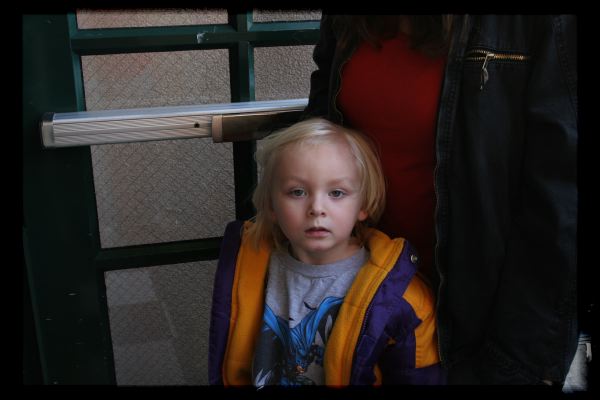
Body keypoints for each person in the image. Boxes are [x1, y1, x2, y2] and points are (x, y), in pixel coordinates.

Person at [302, 14, 579, 386]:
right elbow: (323, 117)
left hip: (480, 338)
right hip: (364, 316)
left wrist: (514, 363)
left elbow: (561, 203)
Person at [208, 118, 445, 386]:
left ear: (363, 205)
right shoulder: (244, 269)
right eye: (297, 192)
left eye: (337, 193)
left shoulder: (401, 298)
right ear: (271, 205)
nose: (317, 208)